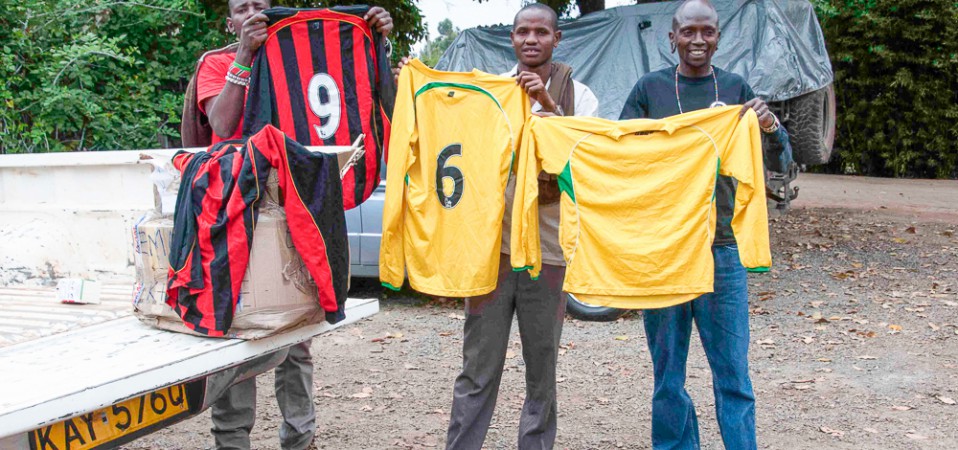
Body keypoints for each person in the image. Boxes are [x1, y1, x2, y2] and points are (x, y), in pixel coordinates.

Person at [180, 1, 394, 449]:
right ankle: (233, 440)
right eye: (244, 8)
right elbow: (221, 122)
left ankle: (301, 438)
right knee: (240, 332)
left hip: (287, 208)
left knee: (296, 331)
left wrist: (378, 41)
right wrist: (244, 54)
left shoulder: (296, 54)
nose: (256, 13)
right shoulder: (218, 62)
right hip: (233, 214)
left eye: (263, 5)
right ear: (230, 22)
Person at [618, 1, 792, 449]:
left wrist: (770, 127)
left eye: (707, 32)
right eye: (688, 31)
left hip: (722, 248)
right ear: (671, 38)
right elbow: (620, 157)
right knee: (667, 376)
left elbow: (779, 162)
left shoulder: (735, 91)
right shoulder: (649, 89)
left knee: (733, 372)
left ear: (719, 37)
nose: (698, 40)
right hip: (665, 249)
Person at [443, 4, 599, 450]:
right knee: (477, 367)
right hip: (493, 253)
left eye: (541, 32)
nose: (531, 39)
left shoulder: (580, 97)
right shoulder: (490, 96)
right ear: (511, 39)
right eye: (522, 32)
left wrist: (550, 109)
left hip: (547, 254)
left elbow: (585, 166)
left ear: (557, 39)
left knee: (542, 369)